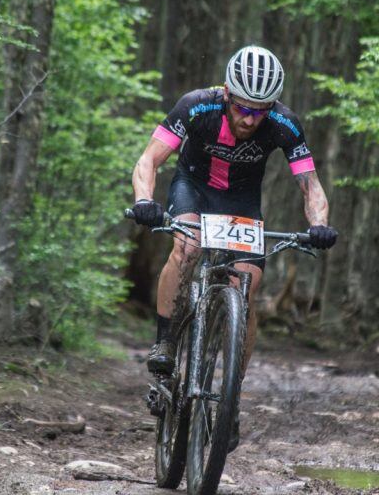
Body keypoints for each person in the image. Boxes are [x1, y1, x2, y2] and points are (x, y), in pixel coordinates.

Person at [130, 46, 337, 446]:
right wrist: (144, 200)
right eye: (243, 107)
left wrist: (320, 224)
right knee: (187, 249)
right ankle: (166, 342)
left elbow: (310, 185)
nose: (249, 118)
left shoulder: (284, 123)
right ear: (226, 92)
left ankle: (229, 397)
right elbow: (148, 161)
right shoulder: (195, 106)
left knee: (247, 285)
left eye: (259, 111)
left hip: (241, 203)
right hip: (192, 188)